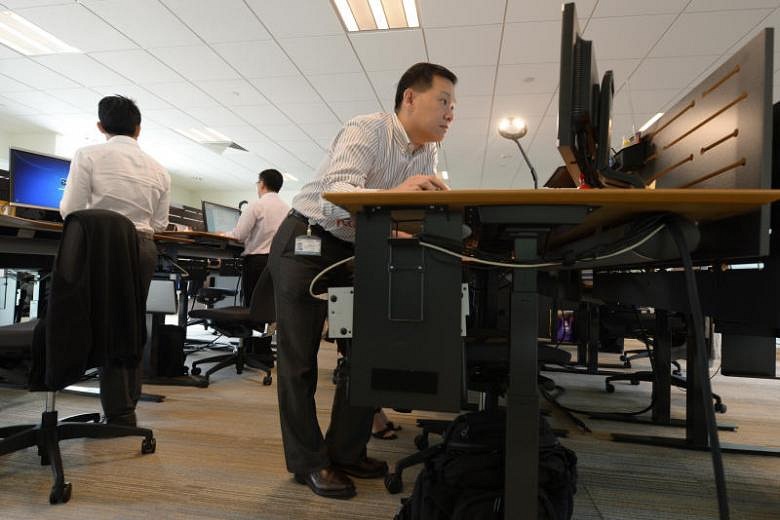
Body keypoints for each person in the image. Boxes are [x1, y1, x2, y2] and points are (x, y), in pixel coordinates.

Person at [268, 62, 456, 499]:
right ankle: (308, 462)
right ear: (410, 97)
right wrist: (397, 198)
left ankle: (346, 451)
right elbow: (338, 198)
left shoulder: (426, 150)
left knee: (366, 353)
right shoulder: (367, 129)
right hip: (309, 241)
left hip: (358, 247)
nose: (451, 114)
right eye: (443, 101)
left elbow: (389, 213)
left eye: (453, 106)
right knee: (299, 361)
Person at [60, 94, 171, 427]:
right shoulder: (159, 169)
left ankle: (119, 412)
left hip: (103, 246)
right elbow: (161, 224)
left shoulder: (88, 155)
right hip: (142, 247)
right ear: (138, 129)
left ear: (100, 126)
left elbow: (72, 210)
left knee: (107, 323)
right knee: (131, 320)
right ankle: (126, 402)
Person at [227, 169, 289, 306]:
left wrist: (223, 234)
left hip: (257, 263)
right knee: (269, 304)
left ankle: (247, 327)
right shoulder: (287, 209)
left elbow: (239, 235)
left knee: (252, 305)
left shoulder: (256, 205)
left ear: (262, 184)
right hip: (278, 264)